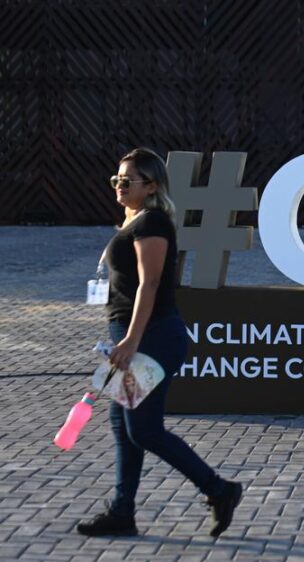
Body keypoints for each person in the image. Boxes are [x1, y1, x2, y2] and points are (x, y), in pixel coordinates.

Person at [76, 148, 243, 537]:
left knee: (144, 430)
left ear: (150, 185)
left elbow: (150, 285)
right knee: (123, 423)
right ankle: (122, 513)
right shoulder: (135, 218)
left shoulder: (152, 223)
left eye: (127, 180)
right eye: (115, 179)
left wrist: (132, 339)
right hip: (134, 333)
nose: (118, 185)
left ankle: (220, 490)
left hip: (152, 336)